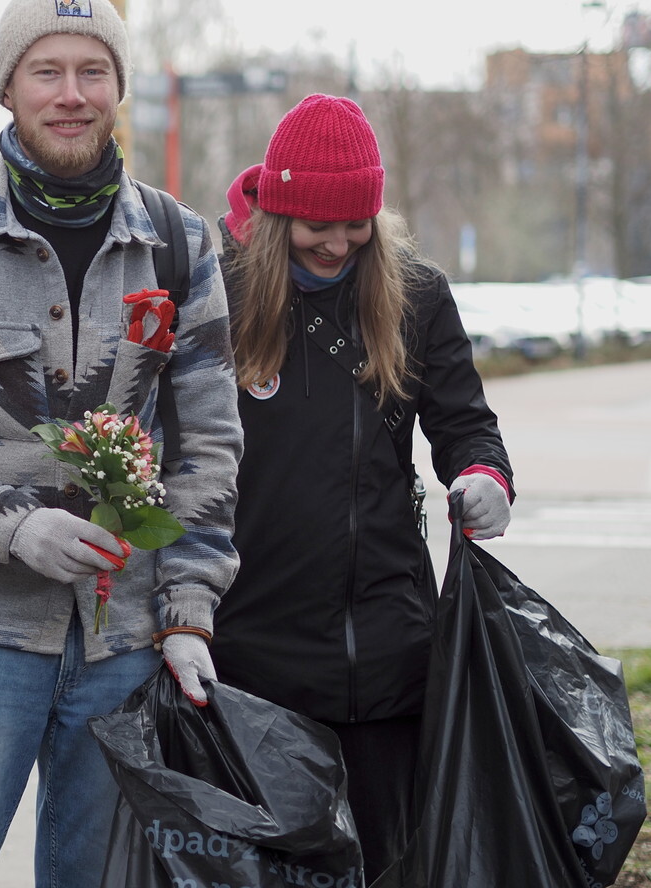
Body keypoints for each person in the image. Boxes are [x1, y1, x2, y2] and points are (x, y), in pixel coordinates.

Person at [0, 0, 243, 888]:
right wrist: (13, 524)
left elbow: (208, 448)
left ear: (118, 88)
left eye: (94, 71)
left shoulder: (180, 247)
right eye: (47, 72)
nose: (72, 93)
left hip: (129, 646)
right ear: (8, 89)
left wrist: (190, 612)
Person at [210, 93, 515, 882]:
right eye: (317, 226)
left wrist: (484, 478)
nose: (338, 243)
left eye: (356, 225)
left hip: (387, 658)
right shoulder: (220, 295)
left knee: (390, 865)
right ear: (279, 215)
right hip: (255, 660)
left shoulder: (416, 296)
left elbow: (465, 425)